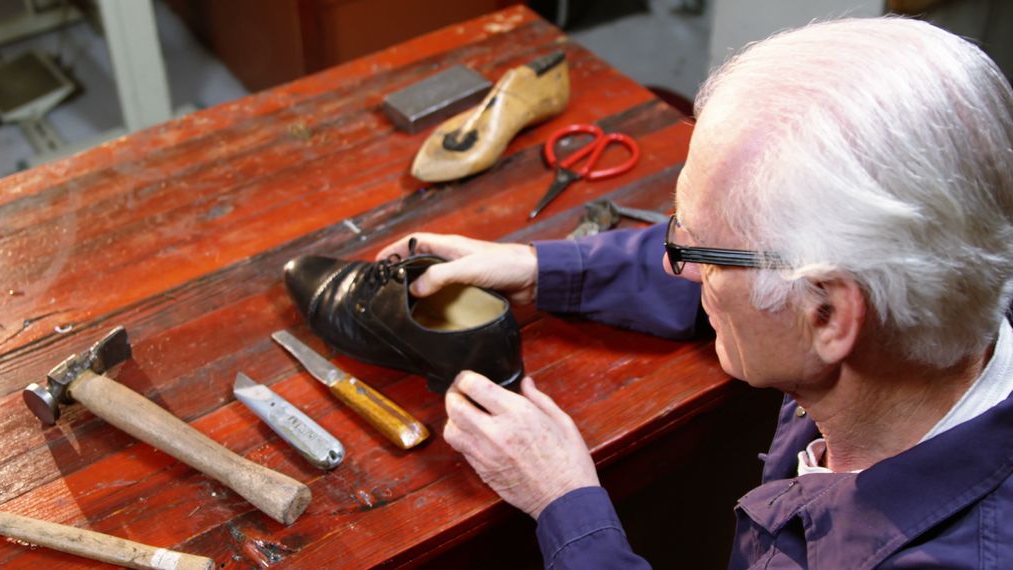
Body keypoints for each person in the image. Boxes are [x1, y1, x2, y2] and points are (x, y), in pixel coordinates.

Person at [377, 17, 1013, 569]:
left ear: (828, 314)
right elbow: (751, 265)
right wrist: (537, 265)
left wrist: (566, 505)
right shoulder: (929, 293)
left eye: (697, 251)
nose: (676, 266)